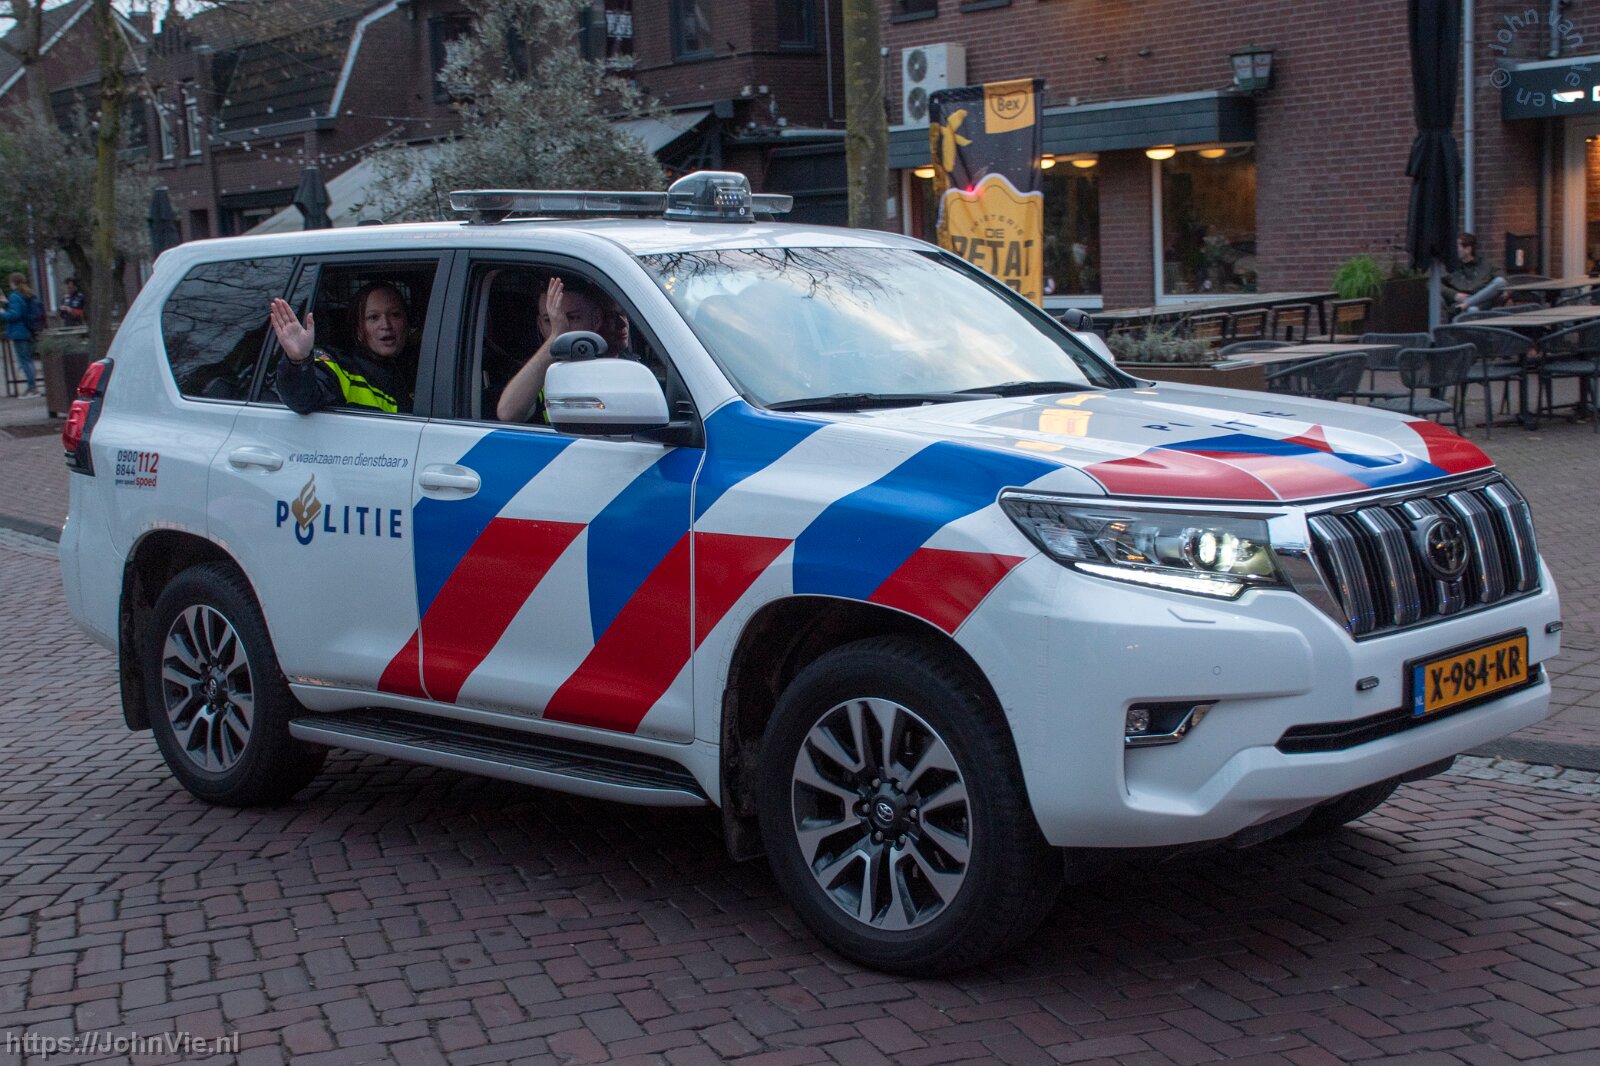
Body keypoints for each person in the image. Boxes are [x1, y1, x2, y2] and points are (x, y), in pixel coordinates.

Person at [496, 275, 632, 423]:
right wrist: (555, 338)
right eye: (549, 320)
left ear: (596, 320)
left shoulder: (622, 368)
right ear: (540, 326)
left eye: (573, 318)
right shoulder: (536, 372)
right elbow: (507, 413)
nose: (561, 327)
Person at [269, 282, 415, 414]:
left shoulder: (423, 361)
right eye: (373, 317)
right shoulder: (339, 367)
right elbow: (302, 400)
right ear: (358, 329)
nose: (386, 325)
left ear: (407, 323)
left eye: (395, 315)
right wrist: (298, 360)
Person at [1, 272, 39, 396]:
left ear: (13, 282)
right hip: (28, 330)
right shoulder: (26, 294)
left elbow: (15, 315)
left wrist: (2, 312)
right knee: (28, 360)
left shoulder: (14, 296)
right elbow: (22, 310)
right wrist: (7, 303)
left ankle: (32, 388)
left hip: (19, 332)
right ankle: (33, 386)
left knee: (24, 361)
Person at [1443, 233, 1498, 312]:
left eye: (1457, 247)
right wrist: (1454, 295)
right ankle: (1467, 304)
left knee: (1500, 281)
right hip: (1458, 303)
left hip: (1481, 302)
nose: (1454, 250)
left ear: (1468, 249)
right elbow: (1433, 283)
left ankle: (1467, 303)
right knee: (1472, 310)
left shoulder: (1486, 264)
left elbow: (1502, 280)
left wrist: (1506, 292)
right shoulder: (1450, 266)